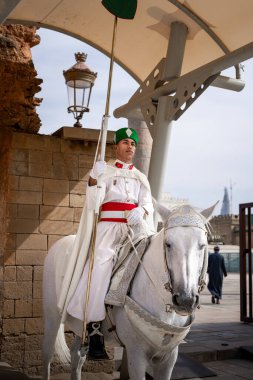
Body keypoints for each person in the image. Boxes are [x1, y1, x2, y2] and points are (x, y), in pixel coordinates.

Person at [67, 127, 154, 359]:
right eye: (125, 142)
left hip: (134, 228)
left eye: (133, 144)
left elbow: (148, 203)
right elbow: (94, 203)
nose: (130, 147)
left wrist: (142, 210)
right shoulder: (104, 171)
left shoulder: (140, 177)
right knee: (100, 267)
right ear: (116, 146)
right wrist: (94, 179)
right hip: (108, 229)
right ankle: (94, 329)